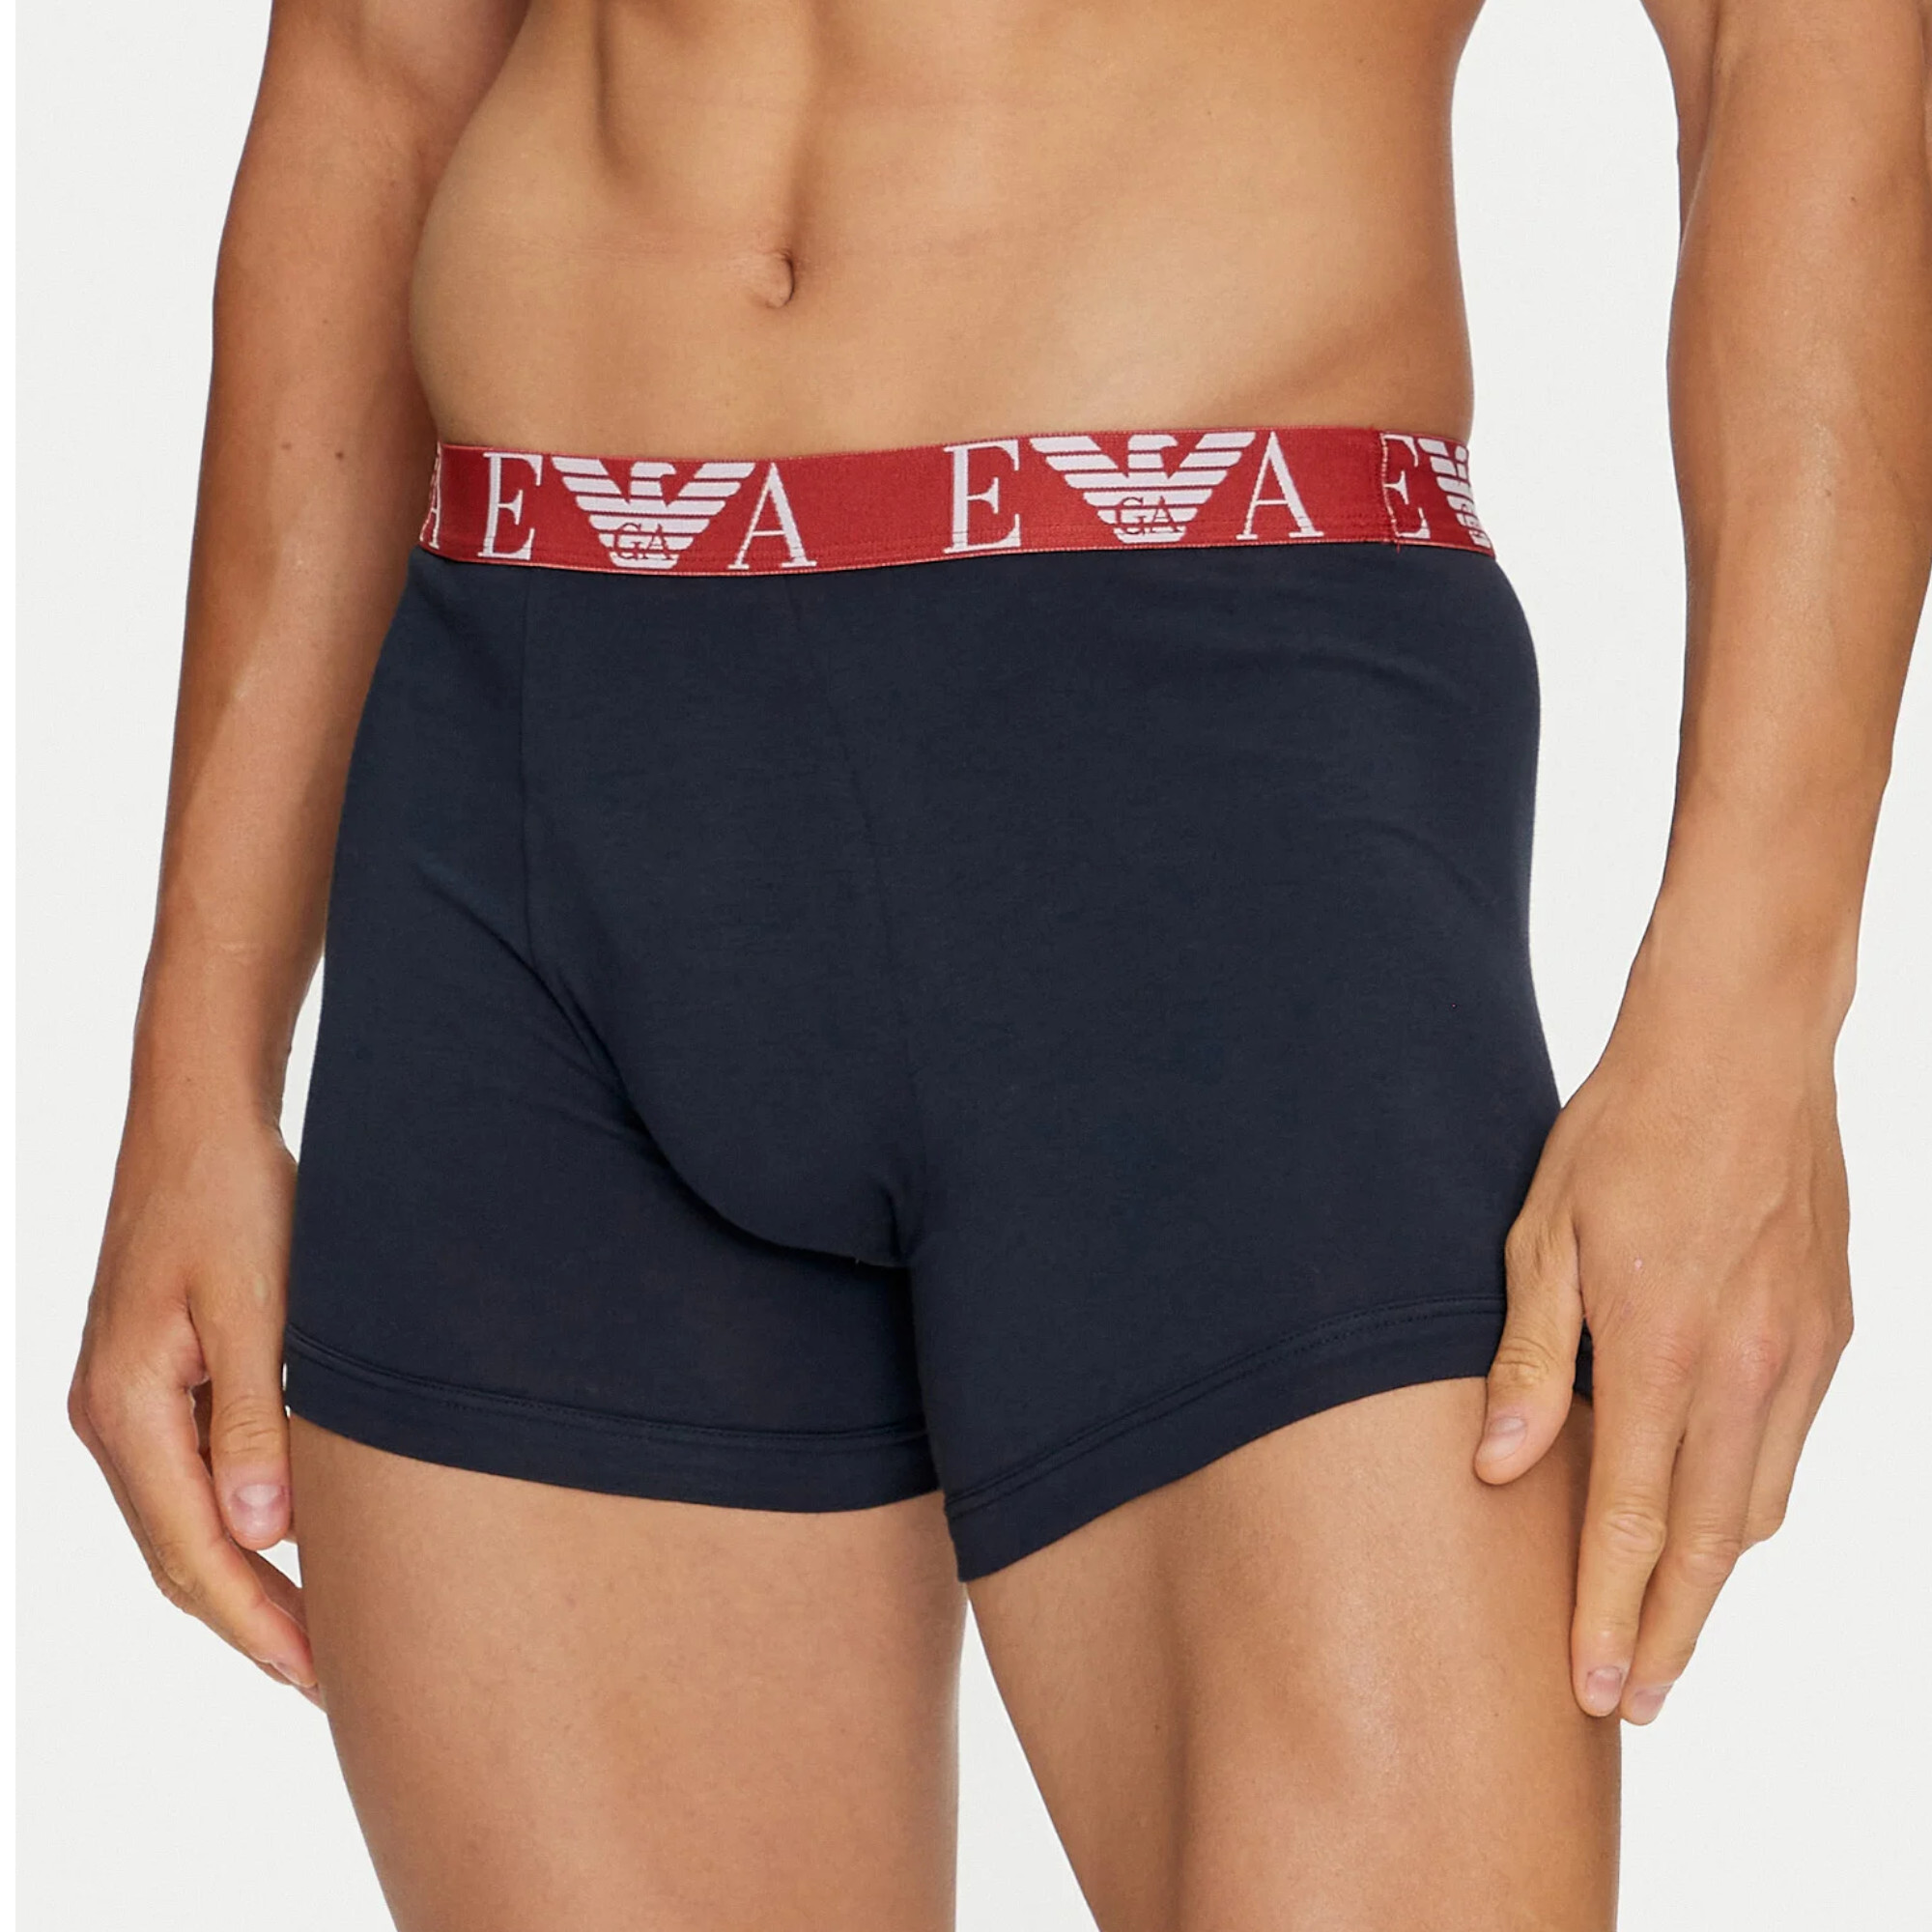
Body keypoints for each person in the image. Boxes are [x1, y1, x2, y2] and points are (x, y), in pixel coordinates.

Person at [69, 0, 1931, 1925]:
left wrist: (1753, 1006)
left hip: (1216, 780)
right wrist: (198, 1063)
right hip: (526, 792)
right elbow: (375, 79)